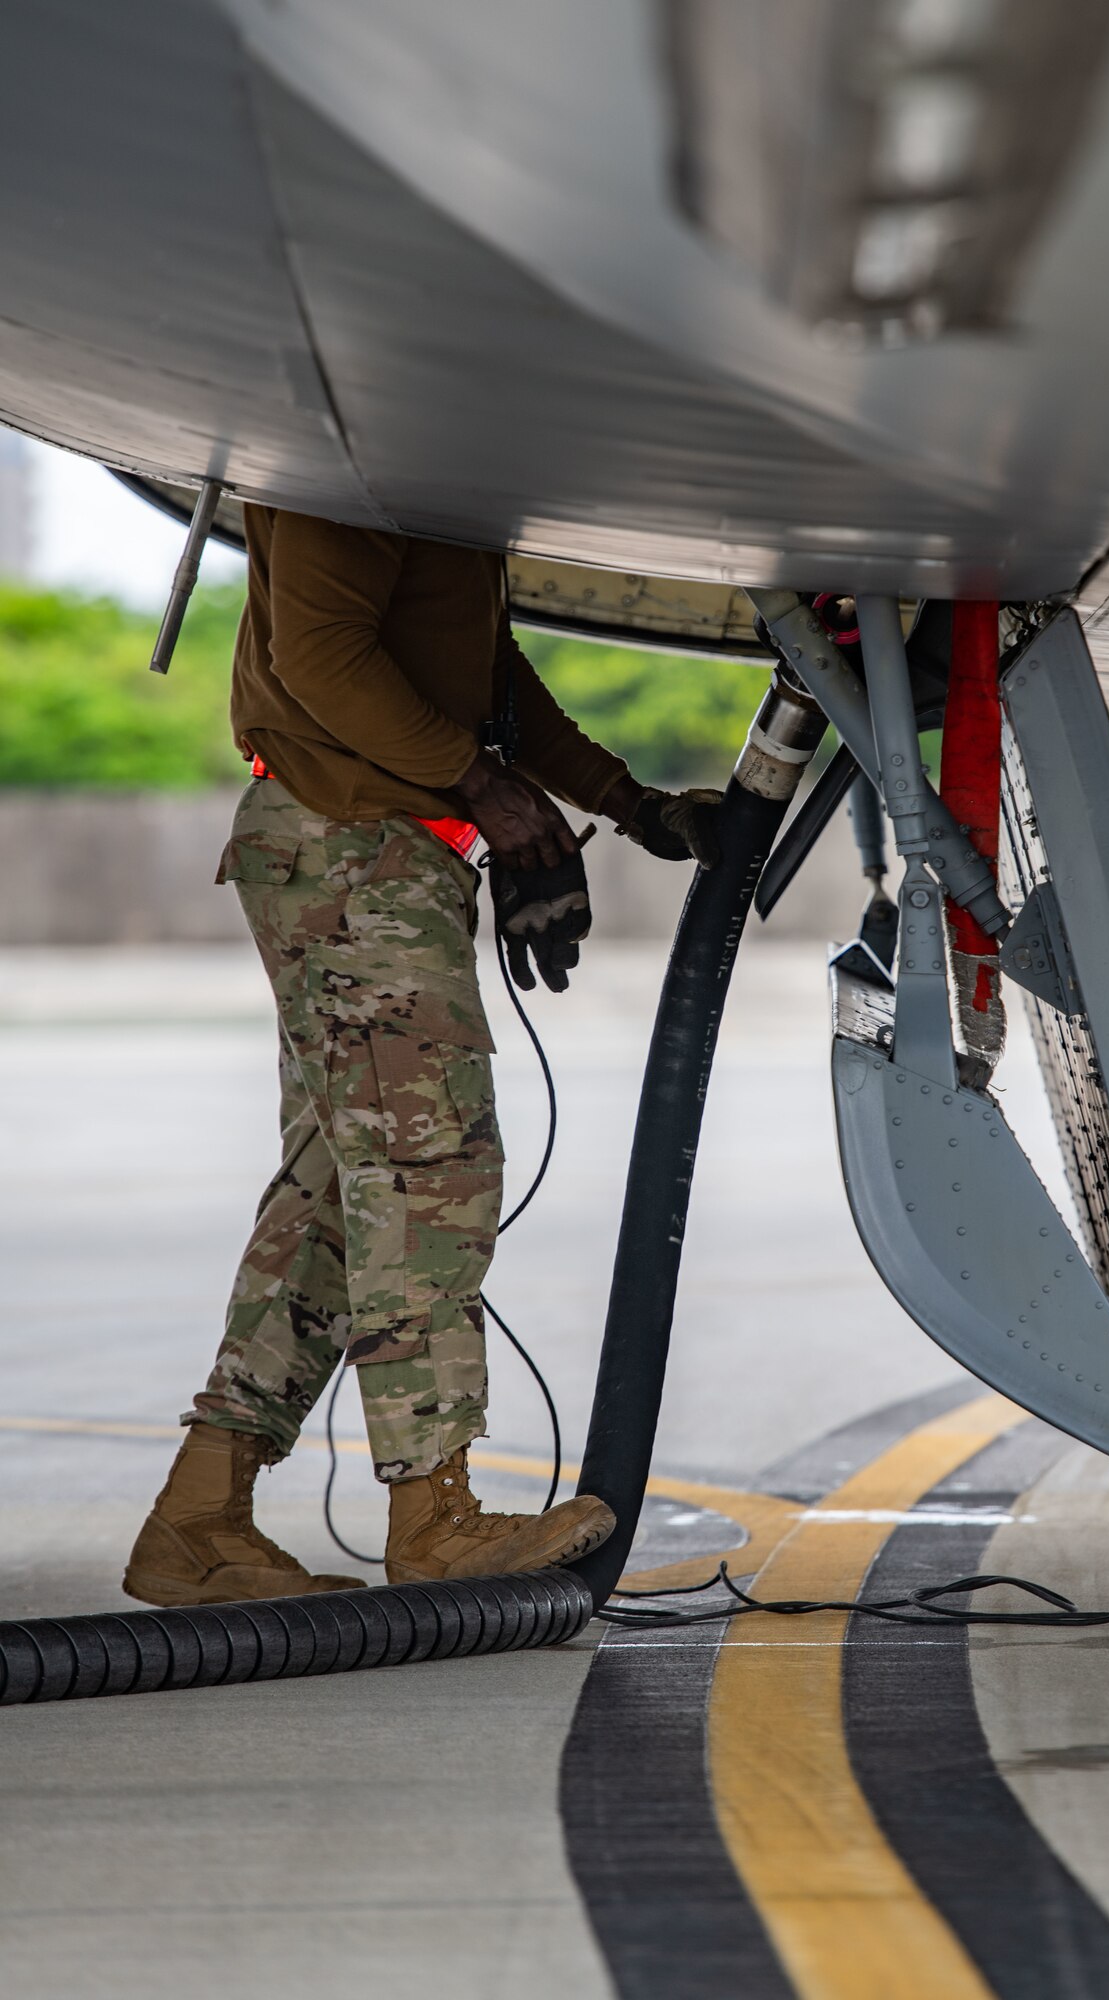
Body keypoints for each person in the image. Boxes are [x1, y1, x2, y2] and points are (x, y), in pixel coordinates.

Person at [123, 510, 721, 1607]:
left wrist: (627, 804)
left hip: (370, 849)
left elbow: (487, 685)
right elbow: (321, 660)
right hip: (352, 845)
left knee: (334, 1199)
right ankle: (433, 1515)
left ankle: (199, 1514)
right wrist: (488, 793)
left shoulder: (428, 472)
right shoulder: (353, 449)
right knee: (425, 1172)